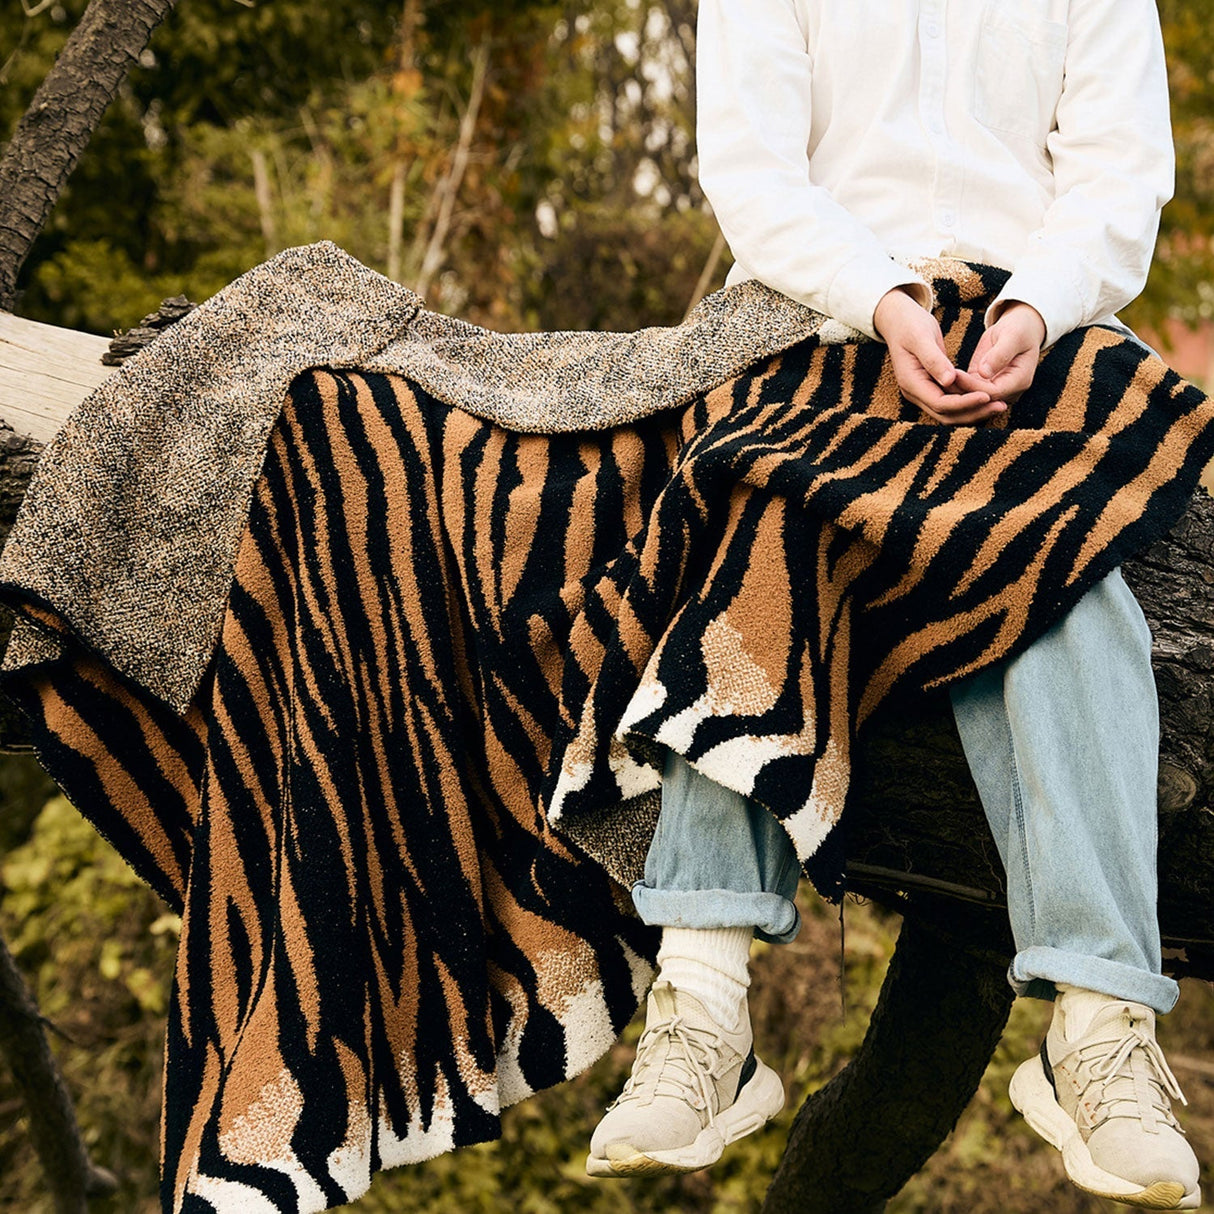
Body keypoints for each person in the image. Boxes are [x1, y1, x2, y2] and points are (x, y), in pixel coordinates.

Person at [586, 1, 1203, 1208]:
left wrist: (1027, 307)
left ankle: (1098, 1026)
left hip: (1049, 335)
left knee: (1061, 580)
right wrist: (880, 299)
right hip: (816, 319)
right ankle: (701, 1005)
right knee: (757, 530)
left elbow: (1121, 177)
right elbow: (754, 175)